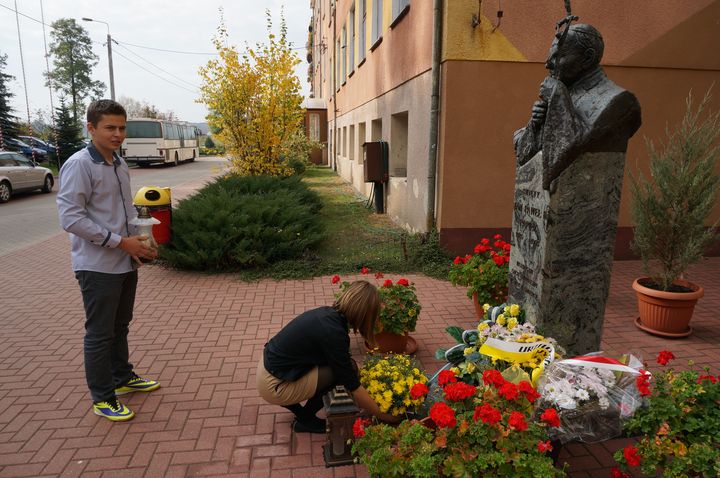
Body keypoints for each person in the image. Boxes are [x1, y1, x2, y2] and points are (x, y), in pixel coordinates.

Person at [57, 99, 160, 422]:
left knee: (120, 325)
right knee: (100, 333)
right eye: (110, 128)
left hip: (124, 261)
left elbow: (125, 211)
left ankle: (122, 376)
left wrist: (142, 241)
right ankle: (103, 397)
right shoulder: (79, 165)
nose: (118, 134)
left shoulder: (118, 163)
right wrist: (120, 242)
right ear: (91, 128)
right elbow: (70, 218)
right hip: (97, 265)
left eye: (122, 128)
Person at [257, 280, 399, 433]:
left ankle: (300, 412)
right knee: (345, 372)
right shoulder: (334, 332)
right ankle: (305, 420)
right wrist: (382, 415)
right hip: (274, 386)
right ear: (365, 313)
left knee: (339, 367)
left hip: (267, 370)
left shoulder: (328, 315)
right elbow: (351, 383)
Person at [513, 23, 641, 191]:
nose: (548, 64)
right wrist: (536, 126)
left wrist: (558, 96)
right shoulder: (565, 90)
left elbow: (568, 154)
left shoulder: (619, 101)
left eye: (558, 57)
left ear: (587, 58)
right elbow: (521, 149)